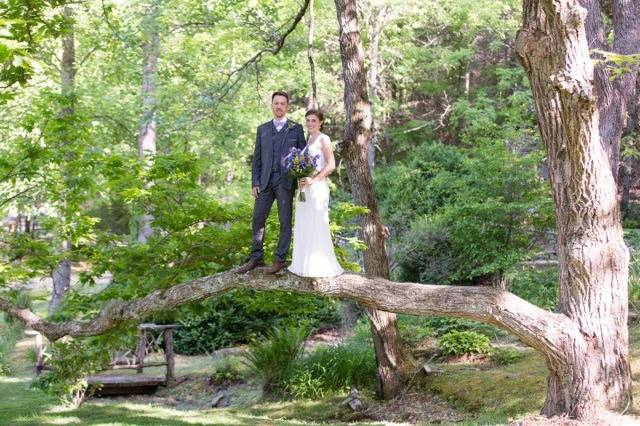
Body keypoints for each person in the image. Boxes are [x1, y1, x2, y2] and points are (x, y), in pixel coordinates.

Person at [237, 91, 306, 274]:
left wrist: (301, 180)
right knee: (258, 218)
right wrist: (255, 182)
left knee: (285, 221)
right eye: (276, 103)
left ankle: (279, 259)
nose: (279, 106)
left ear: (287, 106)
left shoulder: (296, 128)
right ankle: (256, 258)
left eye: (283, 103)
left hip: (285, 182)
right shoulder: (263, 129)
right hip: (265, 182)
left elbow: (302, 157)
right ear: (272, 105)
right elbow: (257, 159)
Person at [288, 109, 344, 277]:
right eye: (308, 120)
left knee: (316, 224)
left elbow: (331, 164)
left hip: (317, 188)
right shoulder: (308, 139)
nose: (310, 123)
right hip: (305, 188)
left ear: (321, 122)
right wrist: (300, 176)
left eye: (313, 120)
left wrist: (314, 179)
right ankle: (303, 264)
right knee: (304, 223)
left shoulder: (323, 138)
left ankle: (319, 266)